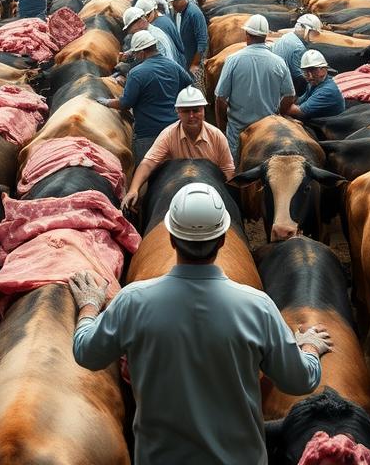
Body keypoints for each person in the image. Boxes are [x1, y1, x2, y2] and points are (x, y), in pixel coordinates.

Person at [70, 183, 329, 465]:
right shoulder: (257, 306)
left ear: (170, 237)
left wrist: (89, 305)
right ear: (221, 240)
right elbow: (301, 380)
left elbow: (86, 353)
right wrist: (310, 348)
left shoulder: (133, 301)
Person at [121, 88, 236, 213]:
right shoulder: (168, 135)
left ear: (203, 110)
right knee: (143, 202)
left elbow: (228, 169)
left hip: (210, 189)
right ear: (178, 112)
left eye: (196, 110)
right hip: (176, 190)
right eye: (186, 111)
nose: (191, 116)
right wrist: (133, 189)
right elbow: (148, 163)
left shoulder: (217, 136)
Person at [99, 30, 193, 163]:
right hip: (175, 130)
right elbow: (188, 83)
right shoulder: (174, 66)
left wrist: (107, 102)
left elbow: (125, 103)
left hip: (148, 135)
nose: (136, 56)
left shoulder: (136, 73)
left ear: (142, 53)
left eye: (136, 53)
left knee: (147, 176)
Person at [215, 15, 295, 163]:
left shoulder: (233, 60)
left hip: (238, 130)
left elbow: (220, 98)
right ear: (266, 36)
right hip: (267, 131)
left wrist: (222, 126)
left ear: (247, 35)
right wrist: (278, 114)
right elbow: (290, 96)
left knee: (234, 170)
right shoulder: (279, 62)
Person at [287, 50, 345, 122]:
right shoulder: (313, 84)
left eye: (314, 71)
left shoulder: (327, 91)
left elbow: (298, 111)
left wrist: (277, 104)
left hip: (327, 128)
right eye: (306, 72)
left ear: (324, 69)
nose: (310, 76)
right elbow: (299, 101)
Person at [271, 14, 322, 95]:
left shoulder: (286, 37)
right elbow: (299, 76)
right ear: (304, 28)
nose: (312, 37)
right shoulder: (299, 48)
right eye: (312, 33)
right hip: (284, 89)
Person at [167, 0, 208, 76]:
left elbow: (202, 41)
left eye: (174, 4)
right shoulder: (183, 12)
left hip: (196, 62)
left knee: (197, 87)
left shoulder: (194, 13)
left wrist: (195, 64)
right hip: (188, 59)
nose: (173, 7)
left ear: (181, 0)